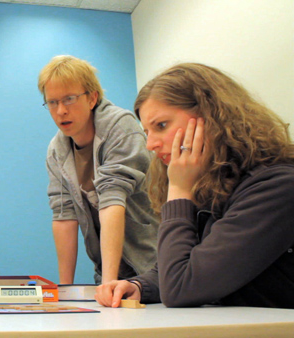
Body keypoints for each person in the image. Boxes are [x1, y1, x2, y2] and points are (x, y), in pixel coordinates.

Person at [95, 63, 294, 308]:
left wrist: (178, 191)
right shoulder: (215, 184)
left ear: (210, 117)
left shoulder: (276, 187)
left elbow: (180, 288)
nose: (150, 144)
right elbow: (184, 266)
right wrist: (139, 286)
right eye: (146, 131)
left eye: (161, 125)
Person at [39, 55, 159, 285]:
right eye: (52, 102)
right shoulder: (57, 150)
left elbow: (112, 199)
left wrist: (109, 284)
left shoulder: (121, 127)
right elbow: (64, 216)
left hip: (154, 265)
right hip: (109, 270)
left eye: (70, 99)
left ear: (92, 98)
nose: (60, 110)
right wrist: (65, 289)